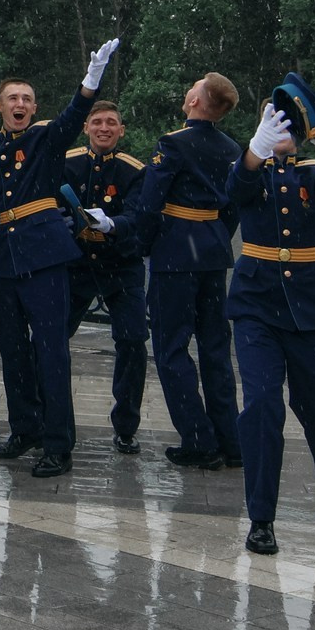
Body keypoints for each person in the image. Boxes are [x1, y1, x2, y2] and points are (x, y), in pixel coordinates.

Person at [0, 42, 118, 474]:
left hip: (44, 249)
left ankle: (58, 442)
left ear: (34, 107)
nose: (19, 104)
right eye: (12, 98)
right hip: (6, 255)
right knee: (12, 348)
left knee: (51, 350)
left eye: (26, 99)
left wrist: (89, 82)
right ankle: (26, 428)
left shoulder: (46, 137)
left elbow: (74, 118)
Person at [227, 100, 315, 555]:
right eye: (269, 124)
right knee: (261, 406)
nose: (277, 132)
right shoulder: (248, 170)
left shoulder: (311, 174)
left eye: (284, 127)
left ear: (299, 137)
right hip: (257, 306)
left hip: (313, 309)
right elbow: (234, 189)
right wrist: (254, 149)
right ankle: (262, 518)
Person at [124, 72, 245, 469]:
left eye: (193, 86)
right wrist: (211, 233)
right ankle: (231, 440)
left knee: (172, 349)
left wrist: (143, 245)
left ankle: (198, 439)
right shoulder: (231, 148)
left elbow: (149, 202)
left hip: (176, 254)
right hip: (211, 252)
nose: (187, 90)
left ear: (196, 101)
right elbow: (232, 207)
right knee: (214, 349)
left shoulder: (173, 144)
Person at [63, 100, 151, 455]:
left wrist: (113, 224)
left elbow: (139, 216)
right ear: (86, 127)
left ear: (121, 130)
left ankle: (126, 426)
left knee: (132, 342)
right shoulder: (67, 163)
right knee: (51, 338)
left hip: (121, 265)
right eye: (97, 122)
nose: (104, 128)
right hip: (77, 264)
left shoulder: (135, 170)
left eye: (111, 123)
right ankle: (48, 415)